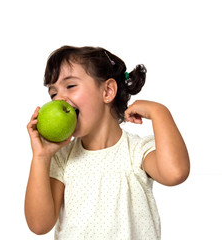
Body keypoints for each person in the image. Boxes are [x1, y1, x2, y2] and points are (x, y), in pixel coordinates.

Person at [24, 46, 190, 239]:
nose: (58, 99)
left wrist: (160, 112)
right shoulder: (62, 159)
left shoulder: (136, 152)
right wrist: (41, 157)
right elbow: (39, 225)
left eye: (70, 86)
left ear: (107, 91)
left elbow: (175, 173)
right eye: (53, 94)